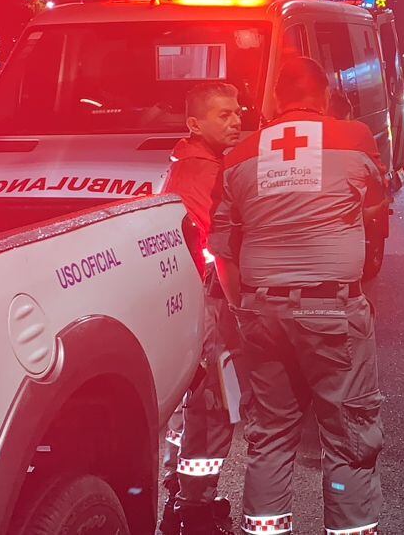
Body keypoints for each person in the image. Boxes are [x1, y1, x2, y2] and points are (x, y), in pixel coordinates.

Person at [216, 57, 387, 535]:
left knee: (270, 435)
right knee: (348, 435)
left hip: (261, 309)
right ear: (326, 95)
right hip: (330, 308)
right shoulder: (352, 136)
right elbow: (375, 200)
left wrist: (239, 304)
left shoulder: (240, 153)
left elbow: (224, 240)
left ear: (275, 99)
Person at [160, 81, 246, 535]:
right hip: (210, 300)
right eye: (223, 115)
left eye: (236, 112)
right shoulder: (206, 174)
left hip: (189, 300)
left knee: (190, 404)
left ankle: (179, 487)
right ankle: (196, 508)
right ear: (195, 123)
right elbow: (216, 243)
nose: (235, 121)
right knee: (215, 405)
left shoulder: (188, 161)